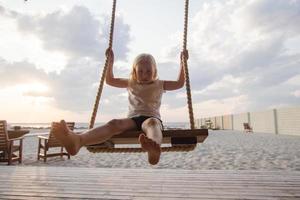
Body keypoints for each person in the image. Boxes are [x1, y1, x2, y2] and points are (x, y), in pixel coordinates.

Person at [53, 48, 188, 165]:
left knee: (152, 124)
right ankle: (78, 140)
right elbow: (110, 80)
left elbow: (179, 83)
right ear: (134, 71)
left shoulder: (160, 84)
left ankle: (153, 147)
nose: (144, 74)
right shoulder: (131, 83)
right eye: (140, 71)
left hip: (152, 118)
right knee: (114, 123)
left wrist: (183, 62)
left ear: (154, 71)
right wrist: (110, 62)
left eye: (148, 71)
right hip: (133, 120)